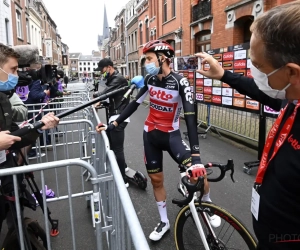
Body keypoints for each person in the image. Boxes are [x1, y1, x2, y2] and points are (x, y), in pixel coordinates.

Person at [195, 2, 300, 249]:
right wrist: (223, 75)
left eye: (260, 67)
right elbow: (263, 92)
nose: (255, 73)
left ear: (292, 73)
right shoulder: (292, 96)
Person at [96, 40, 220, 241]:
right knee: (156, 180)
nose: (146, 63)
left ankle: (207, 202)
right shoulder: (150, 80)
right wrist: (112, 124)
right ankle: (164, 222)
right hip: (150, 136)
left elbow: (190, 119)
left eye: (149, 59)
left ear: (163, 59)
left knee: (199, 173)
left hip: (172, 136)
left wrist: (196, 155)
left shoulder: (180, 82)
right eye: (145, 59)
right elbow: (133, 105)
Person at [0, 43, 59, 229]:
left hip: (6, 169)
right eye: (13, 69)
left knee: (13, 216)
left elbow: (15, 134)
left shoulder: (3, 98)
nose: (17, 76)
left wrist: (41, 127)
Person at [94, 58, 130, 187]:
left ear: (109, 67)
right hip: (114, 115)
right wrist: (102, 102)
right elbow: (113, 97)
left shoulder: (118, 79)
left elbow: (106, 93)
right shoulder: (112, 78)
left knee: (118, 148)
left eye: (102, 70)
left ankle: (123, 180)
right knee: (113, 146)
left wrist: (96, 97)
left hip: (120, 116)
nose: (101, 73)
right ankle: (123, 167)